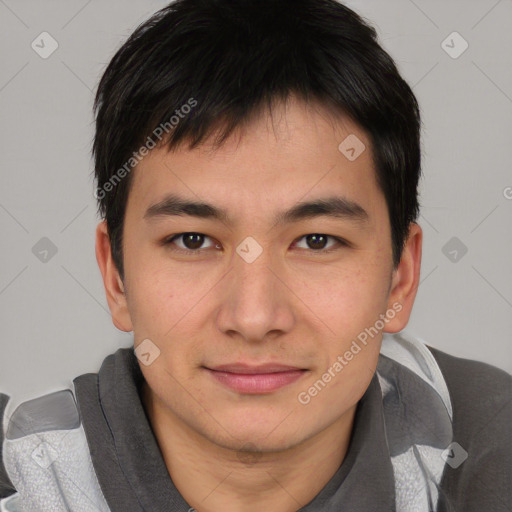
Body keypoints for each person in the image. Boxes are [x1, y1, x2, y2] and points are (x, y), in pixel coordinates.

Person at [1, 0, 510, 511]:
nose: (254, 317)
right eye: (193, 240)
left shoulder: (490, 455)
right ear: (116, 276)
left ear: (400, 277)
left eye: (316, 241)